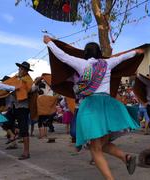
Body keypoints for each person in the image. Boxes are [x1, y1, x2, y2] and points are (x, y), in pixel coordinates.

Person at [44, 35, 143, 180]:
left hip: (91, 106)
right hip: (108, 106)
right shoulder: (107, 63)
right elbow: (122, 57)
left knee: (95, 148)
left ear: (86, 54)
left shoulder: (82, 64)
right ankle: (125, 157)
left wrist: (49, 43)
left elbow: (63, 56)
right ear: (99, 54)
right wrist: (136, 52)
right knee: (103, 144)